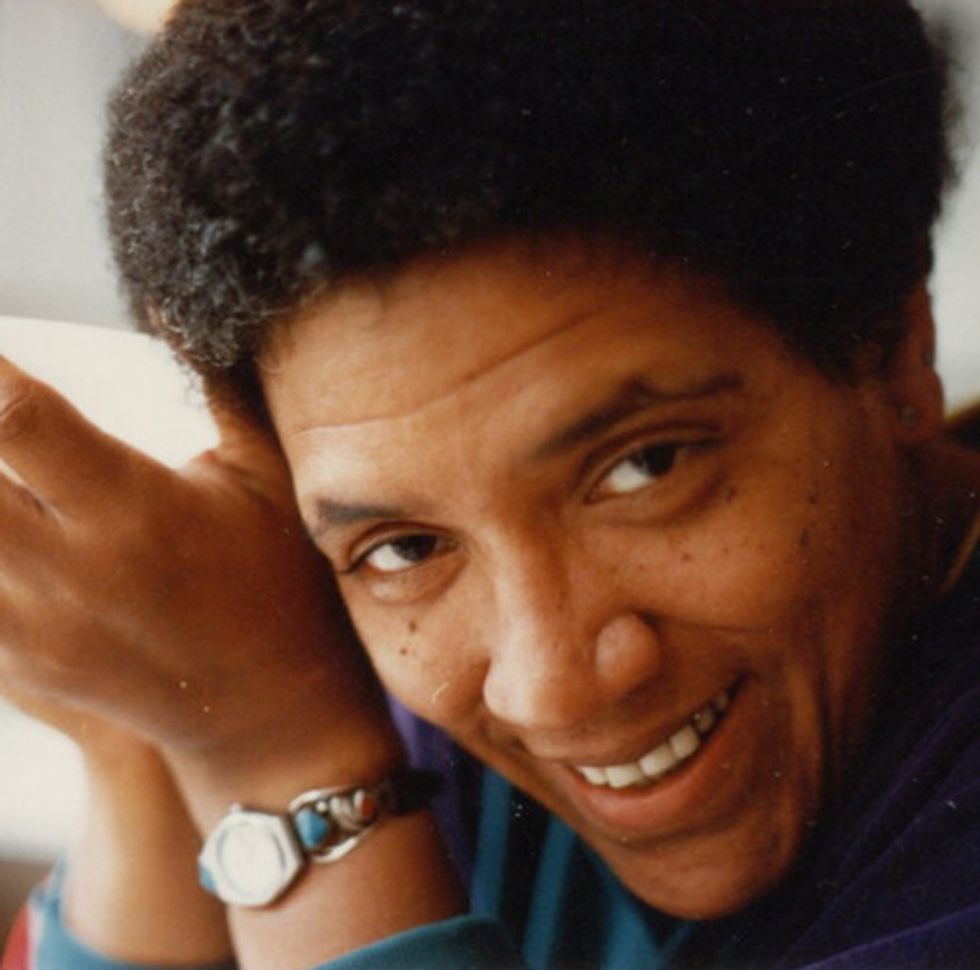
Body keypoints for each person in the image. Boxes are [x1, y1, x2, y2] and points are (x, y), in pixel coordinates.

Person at [2, 0, 979, 967]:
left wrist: (295, 783)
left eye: (643, 467)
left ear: (890, 345)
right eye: (405, 546)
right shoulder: (352, 680)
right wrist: (147, 727)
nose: (549, 688)